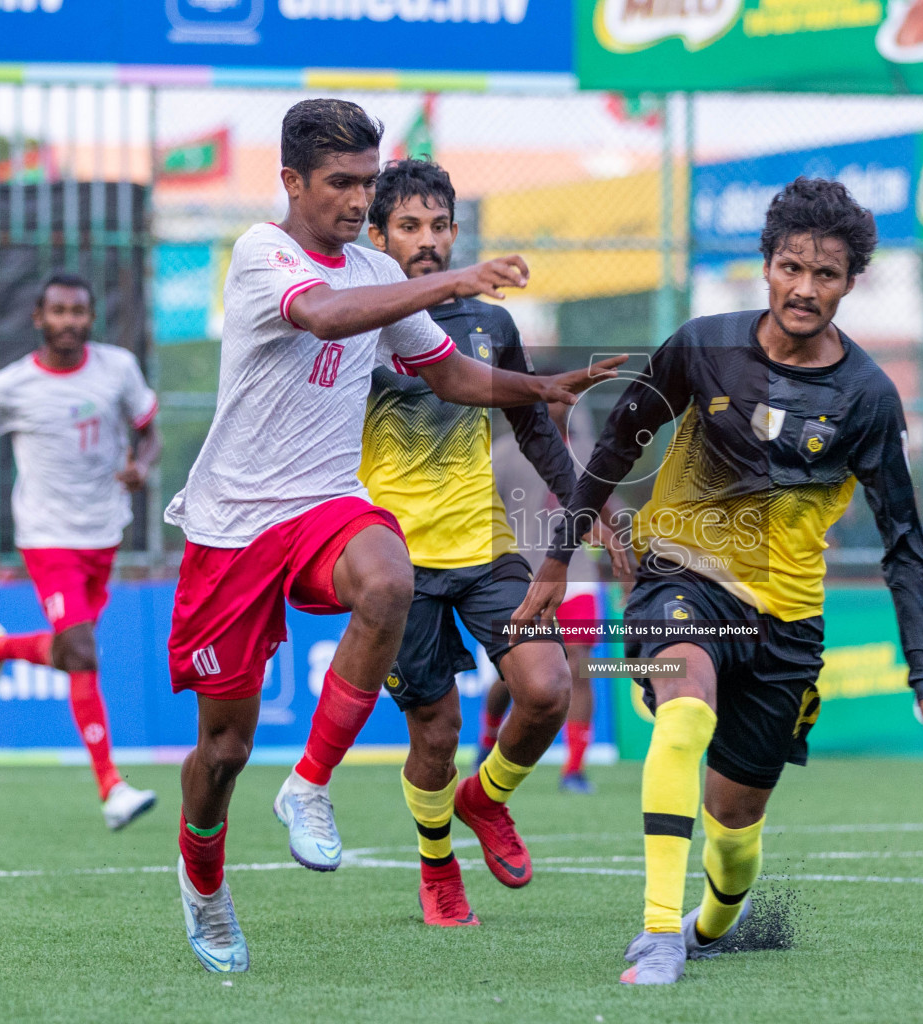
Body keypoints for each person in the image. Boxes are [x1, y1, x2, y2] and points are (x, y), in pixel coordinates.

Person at [165, 100, 620, 973]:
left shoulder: (376, 265)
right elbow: (329, 317)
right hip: (233, 526)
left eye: (366, 181)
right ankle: (205, 883)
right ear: (293, 182)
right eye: (342, 183)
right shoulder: (265, 254)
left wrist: (538, 389)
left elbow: (444, 371)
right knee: (222, 750)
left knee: (386, 577)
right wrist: (454, 281)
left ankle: (311, 788)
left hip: (327, 505)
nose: (355, 197)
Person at [514, 177, 923, 986]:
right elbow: (619, 445)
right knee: (684, 709)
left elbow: (905, 547)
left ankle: (712, 920)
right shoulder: (702, 346)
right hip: (678, 573)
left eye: (825, 274)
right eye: (791, 267)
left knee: (735, 828)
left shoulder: (868, 397)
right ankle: (660, 933)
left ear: (849, 283)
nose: (805, 288)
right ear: (766, 266)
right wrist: (557, 556)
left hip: (786, 624)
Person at [271, 158, 627, 927]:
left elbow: (533, 426)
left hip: (486, 545)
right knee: (436, 731)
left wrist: (587, 505)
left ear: (457, 233)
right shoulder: (356, 323)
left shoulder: (490, 326)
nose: (426, 242)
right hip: (393, 561)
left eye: (439, 228)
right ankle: (437, 866)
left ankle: (484, 798)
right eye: (409, 227)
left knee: (546, 688)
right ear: (378, 235)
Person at [0, 272, 161, 832]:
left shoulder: (117, 368)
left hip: (104, 531)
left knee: (73, 651)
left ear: (90, 318)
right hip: (47, 536)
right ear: (38, 319)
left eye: (78, 311)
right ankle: (111, 787)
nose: (69, 321)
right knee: (82, 649)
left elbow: (149, 430)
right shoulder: (10, 386)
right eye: (59, 312)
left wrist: (141, 467)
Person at [486, 400, 627, 795]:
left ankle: (574, 768)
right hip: (523, 578)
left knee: (578, 666)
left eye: (568, 398)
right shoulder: (503, 453)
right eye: (552, 397)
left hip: (577, 576)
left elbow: (607, 506)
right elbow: (481, 512)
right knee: (512, 672)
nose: (561, 405)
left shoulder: (586, 453)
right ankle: (487, 741)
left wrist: (623, 557)